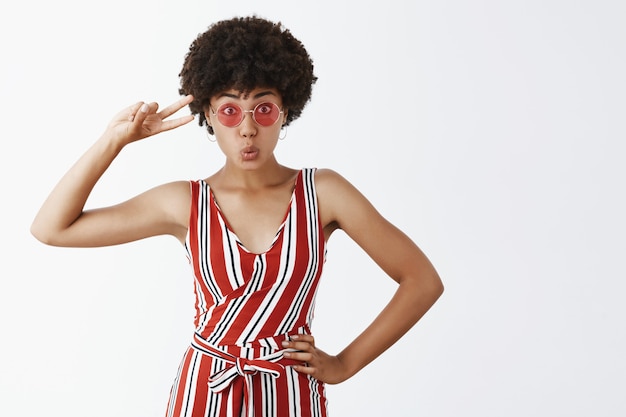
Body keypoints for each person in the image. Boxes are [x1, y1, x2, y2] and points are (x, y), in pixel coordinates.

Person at [31, 15, 443, 417]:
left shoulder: (323, 193)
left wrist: (343, 365)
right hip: (203, 395)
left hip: (291, 395)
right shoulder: (185, 202)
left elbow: (422, 281)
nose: (247, 129)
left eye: (263, 109)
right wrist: (114, 140)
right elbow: (51, 228)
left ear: (286, 112)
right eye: (229, 110)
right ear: (208, 115)